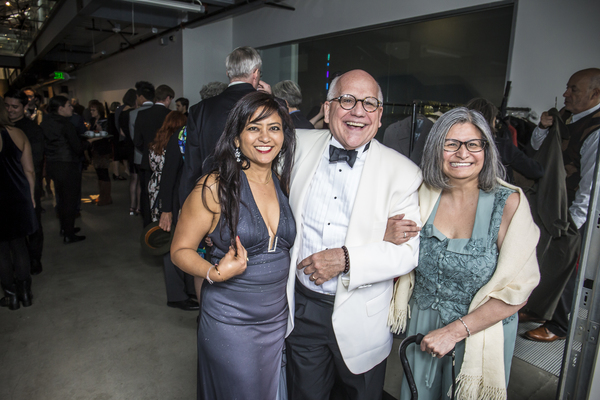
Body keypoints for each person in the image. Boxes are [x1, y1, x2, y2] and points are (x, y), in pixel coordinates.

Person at [285, 70, 422, 400]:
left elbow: (407, 253)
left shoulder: (403, 172)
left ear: (379, 115)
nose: (358, 111)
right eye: (347, 100)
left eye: (369, 103)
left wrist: (345, 258)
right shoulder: (296, 144)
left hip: (363, 315)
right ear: (328, 108)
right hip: (302, 307)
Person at [389, 107, 540, 400]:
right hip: (422, 326)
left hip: (480, 330)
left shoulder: (509, 205)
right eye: (451, 143)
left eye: (473, 144)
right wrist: (387, 234)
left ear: (486, 149)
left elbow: (519, 290)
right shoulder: (419, 195)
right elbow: (391, 246)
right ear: (436, 149)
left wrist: (454, 332)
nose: (463, 153)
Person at [171, 92, 296, 400]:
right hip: (231, 322)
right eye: (254, 127)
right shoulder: (214, 186)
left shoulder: (283, 182)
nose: (265, 137)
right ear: (237, 139)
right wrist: (213, 272)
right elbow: (179, 250)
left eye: (274, 128)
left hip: (277, 319)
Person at [521, 68, 600, 342]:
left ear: (595, 93)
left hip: (574, 212)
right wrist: (542, 128)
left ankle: (559, 325)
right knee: (542, 256)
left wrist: (574, 224)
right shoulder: (565, 117)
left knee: (566, 265)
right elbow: (536, 149)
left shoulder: (597, 130)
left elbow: (591, 183)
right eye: (567, 87)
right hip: (552, 203)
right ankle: (537, 309)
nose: (566, 93)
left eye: (573, 89)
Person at [180, 46, 270, 205]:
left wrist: (186, 205)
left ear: (228, 73)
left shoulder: (199, 110)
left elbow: (192, 166)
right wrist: (271, 97)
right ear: (255, 73)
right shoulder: (269, 107)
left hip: (211, 198)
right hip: (257, 199)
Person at [0, 97, 37, 310]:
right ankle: (26, 293)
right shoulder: (18, 134)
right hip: (17, 197)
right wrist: (31, 196)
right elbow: (29, 170)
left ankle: (11, 296)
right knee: (20, 245)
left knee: (2, 251)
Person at [4, 89, 45, 275]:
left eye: (14, 106)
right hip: (7, 185)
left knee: (33, 222)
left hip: (26, 182)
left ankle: (34, 259)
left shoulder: (31, 129)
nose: (10, 110)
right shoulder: (3, 127)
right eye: (7, 106)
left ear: (24, 106)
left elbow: (34, 163)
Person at [466, 98, 544, 183]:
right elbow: (536, 171)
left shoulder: (456, 145)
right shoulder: (502, 146)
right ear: (492, 120)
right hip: (496, 194)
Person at [41, 96, 86, 244]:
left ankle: (65, 228)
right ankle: (69, 234)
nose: (72, 108)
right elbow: (77, 148)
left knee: (61, 198)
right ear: (60, 108)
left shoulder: (45, 122)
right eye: (68, 106)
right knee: (70, 200)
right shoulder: (66, 124)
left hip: (53, 165)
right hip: (67, 165)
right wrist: (88, 144)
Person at [135, 84, 174, 227]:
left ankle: (148, 226)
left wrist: (148, 152)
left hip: (147, 162)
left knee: (147, 195)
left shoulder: (142, 114)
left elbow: (137, 141)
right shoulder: (170, 116)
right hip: (169, 162)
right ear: (168, 98)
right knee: (167, 194)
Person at [128, 81, 155, 216]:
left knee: (143, 186)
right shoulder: (160, 112)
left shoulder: (133, 114)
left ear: (141, 97)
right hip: (159, 155)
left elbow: (135, 139)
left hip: (140, 156)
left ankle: (142, 210)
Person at [118, 89, 140, 216]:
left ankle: (132, 206)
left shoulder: (122, 113)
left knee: (133, 178)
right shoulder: (134, 113)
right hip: (135, 147)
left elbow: (121, 132)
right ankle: (138, 207)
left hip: (127, 146)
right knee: (139, 179)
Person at [88, 100, 113, 206]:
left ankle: (106, 197)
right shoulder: (93, 120)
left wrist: (94, 136)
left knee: (104, 173)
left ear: (99, 110)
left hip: (103, 149)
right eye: (90, 110)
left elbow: (106, 135)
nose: (91, 112)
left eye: (93, 110)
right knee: (99, 173)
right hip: (96, 149)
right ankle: (102, 196)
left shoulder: (104, 121)